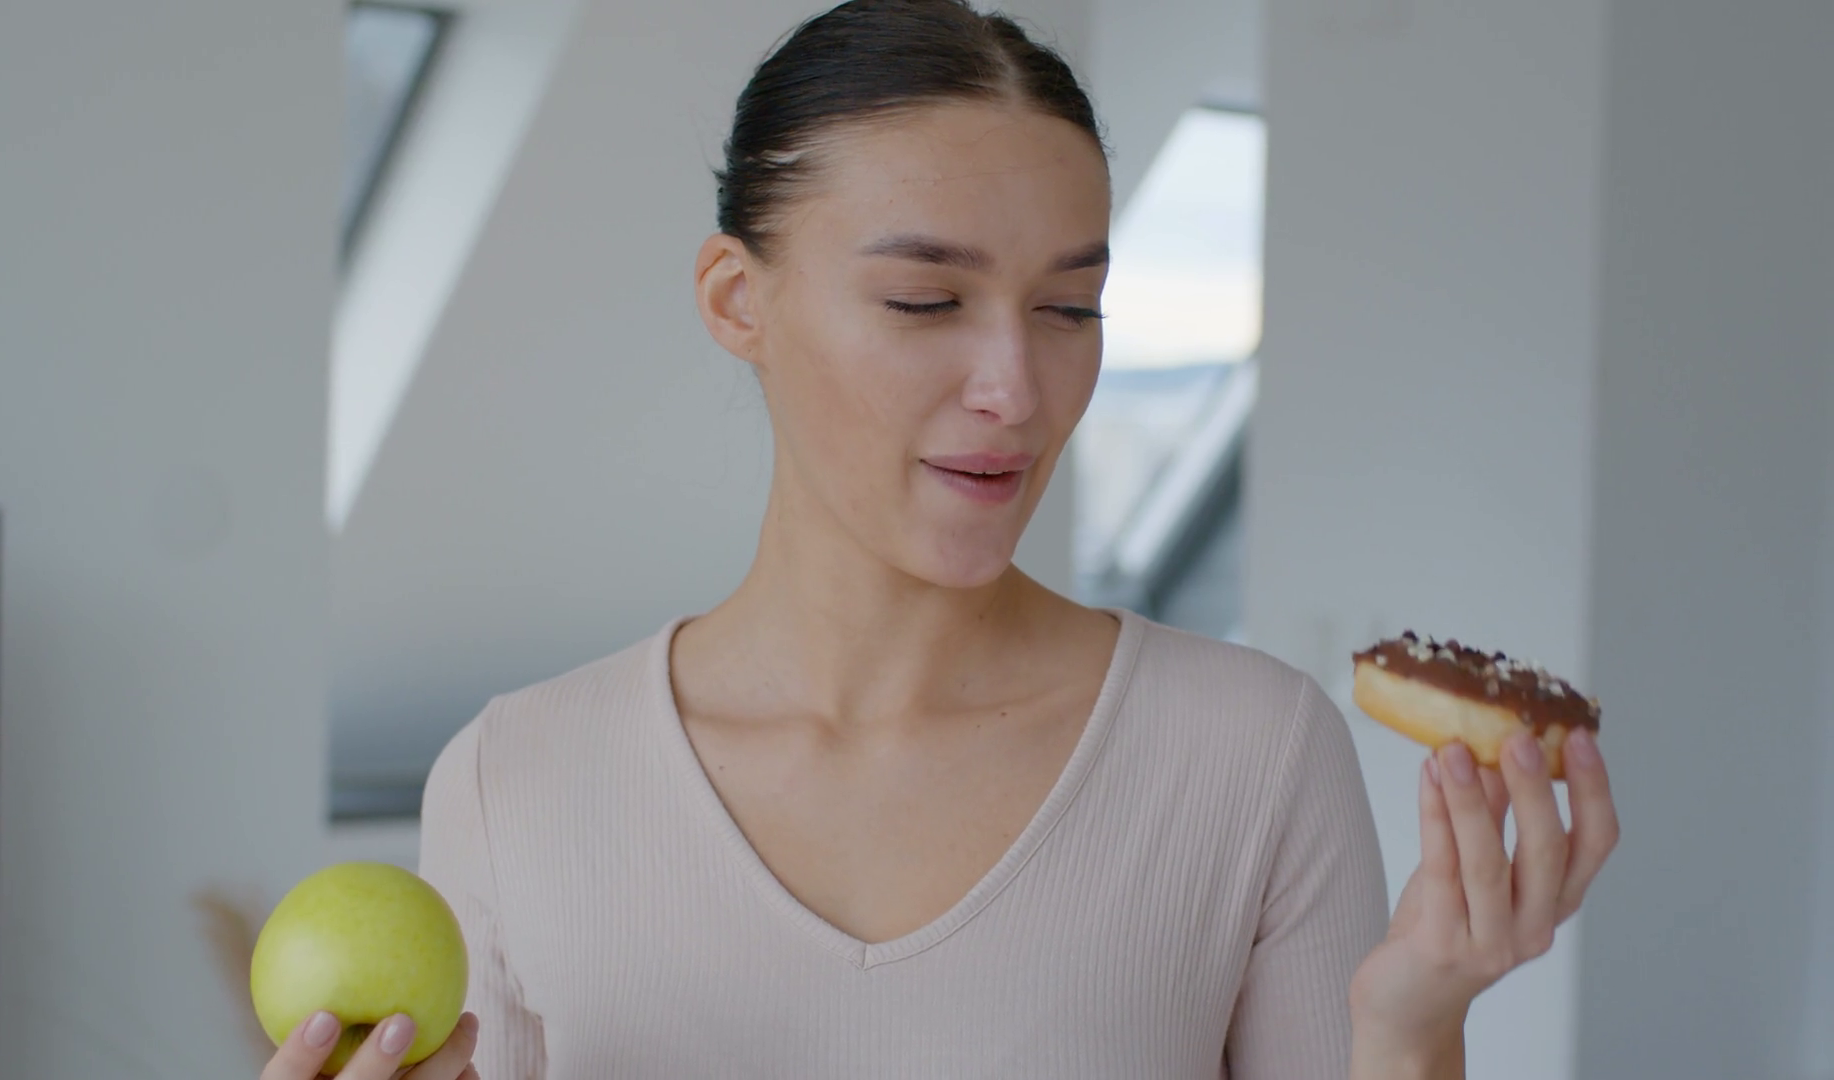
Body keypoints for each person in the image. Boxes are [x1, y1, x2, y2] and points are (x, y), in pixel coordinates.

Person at [262, 2, 1618, 1077]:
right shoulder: (514, 781)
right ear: (737, 300)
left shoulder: (1250, 755)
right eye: (925, 302)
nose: (1015, 391)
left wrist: (1412, 1028)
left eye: (1068, 310)